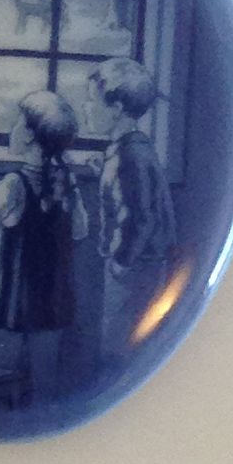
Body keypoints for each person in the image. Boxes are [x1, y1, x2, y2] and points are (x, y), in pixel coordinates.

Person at [0, 91, 88, 399]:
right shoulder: (67, 182)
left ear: (30, 135)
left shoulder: (14, 184)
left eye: (17, 123)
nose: (12, 129)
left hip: (10, 299)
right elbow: (80, 230)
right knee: (46, 381)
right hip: (50, 299)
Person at [85, 58, 178, 358]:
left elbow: (139, 217)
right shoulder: (125, 150)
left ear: (116, 108)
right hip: (136, 262)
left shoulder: (131, 156)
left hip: (135, 266)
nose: (86, 108)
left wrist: (121, 262)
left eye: (92, 101)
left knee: (119, 344)